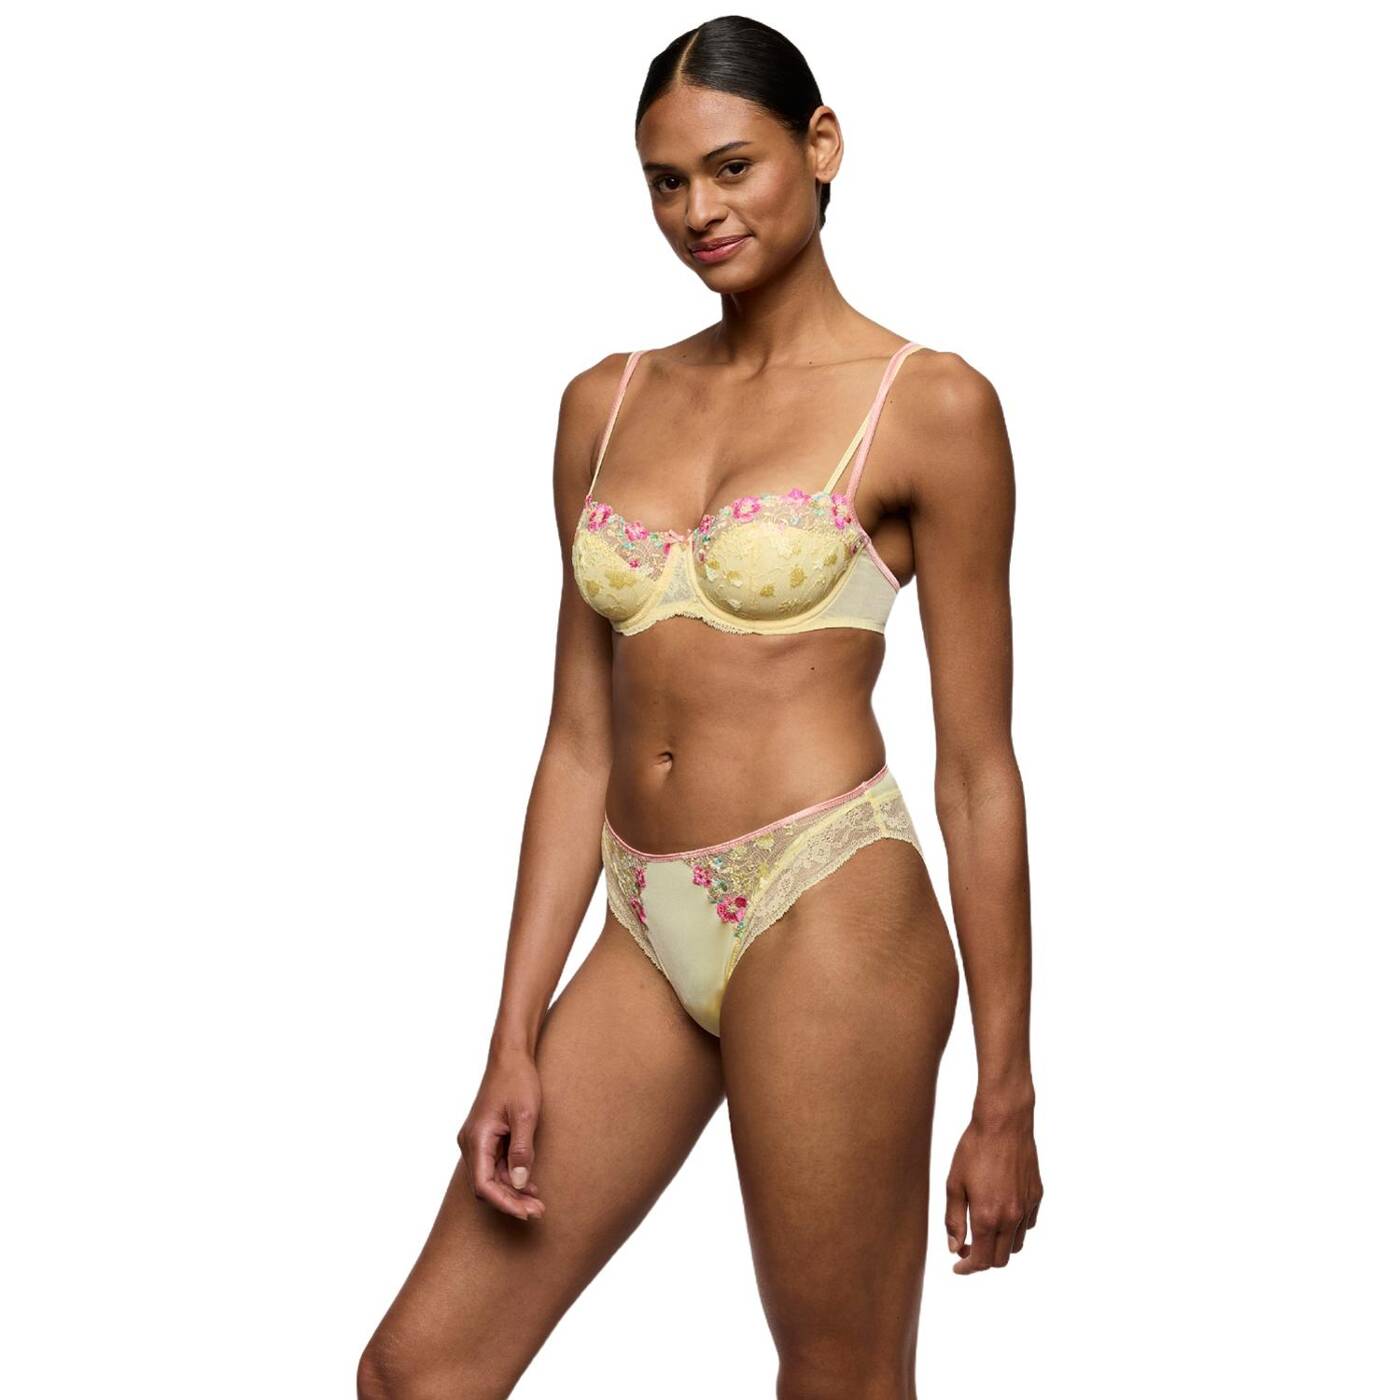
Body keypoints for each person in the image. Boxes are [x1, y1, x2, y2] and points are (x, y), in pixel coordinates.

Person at [359, 15, 1041, 1399]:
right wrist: (512, 1036)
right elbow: (577, 743)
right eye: (666, 182)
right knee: (417, 1373)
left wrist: (1007, 1090)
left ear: (821, 145)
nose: (698, 213)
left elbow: (978, 770)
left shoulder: (931, 405)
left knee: (835, 1381)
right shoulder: (604, 405)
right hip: (641, 912)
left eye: (733, 168)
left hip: (828, 899)